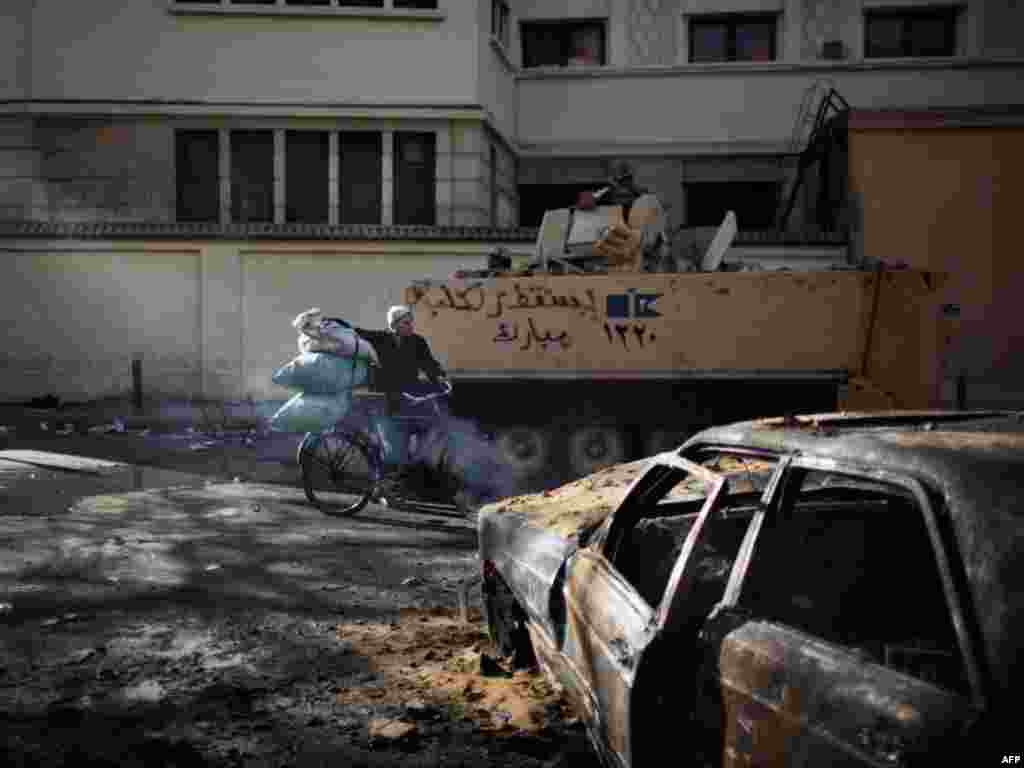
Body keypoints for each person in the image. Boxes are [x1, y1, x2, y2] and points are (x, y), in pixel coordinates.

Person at [354, 305, 448, 468]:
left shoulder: (417, 342)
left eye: (411, 322)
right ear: (394, 325)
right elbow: (356, 332)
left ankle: (413, 473)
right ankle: (385, 484)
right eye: (406, 323)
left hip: (408, 398)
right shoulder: (379, 339)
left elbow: (429, 364)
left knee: (430, 430)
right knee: (394, 450)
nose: (411, 326)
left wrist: (440, 378)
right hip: (384, 400)